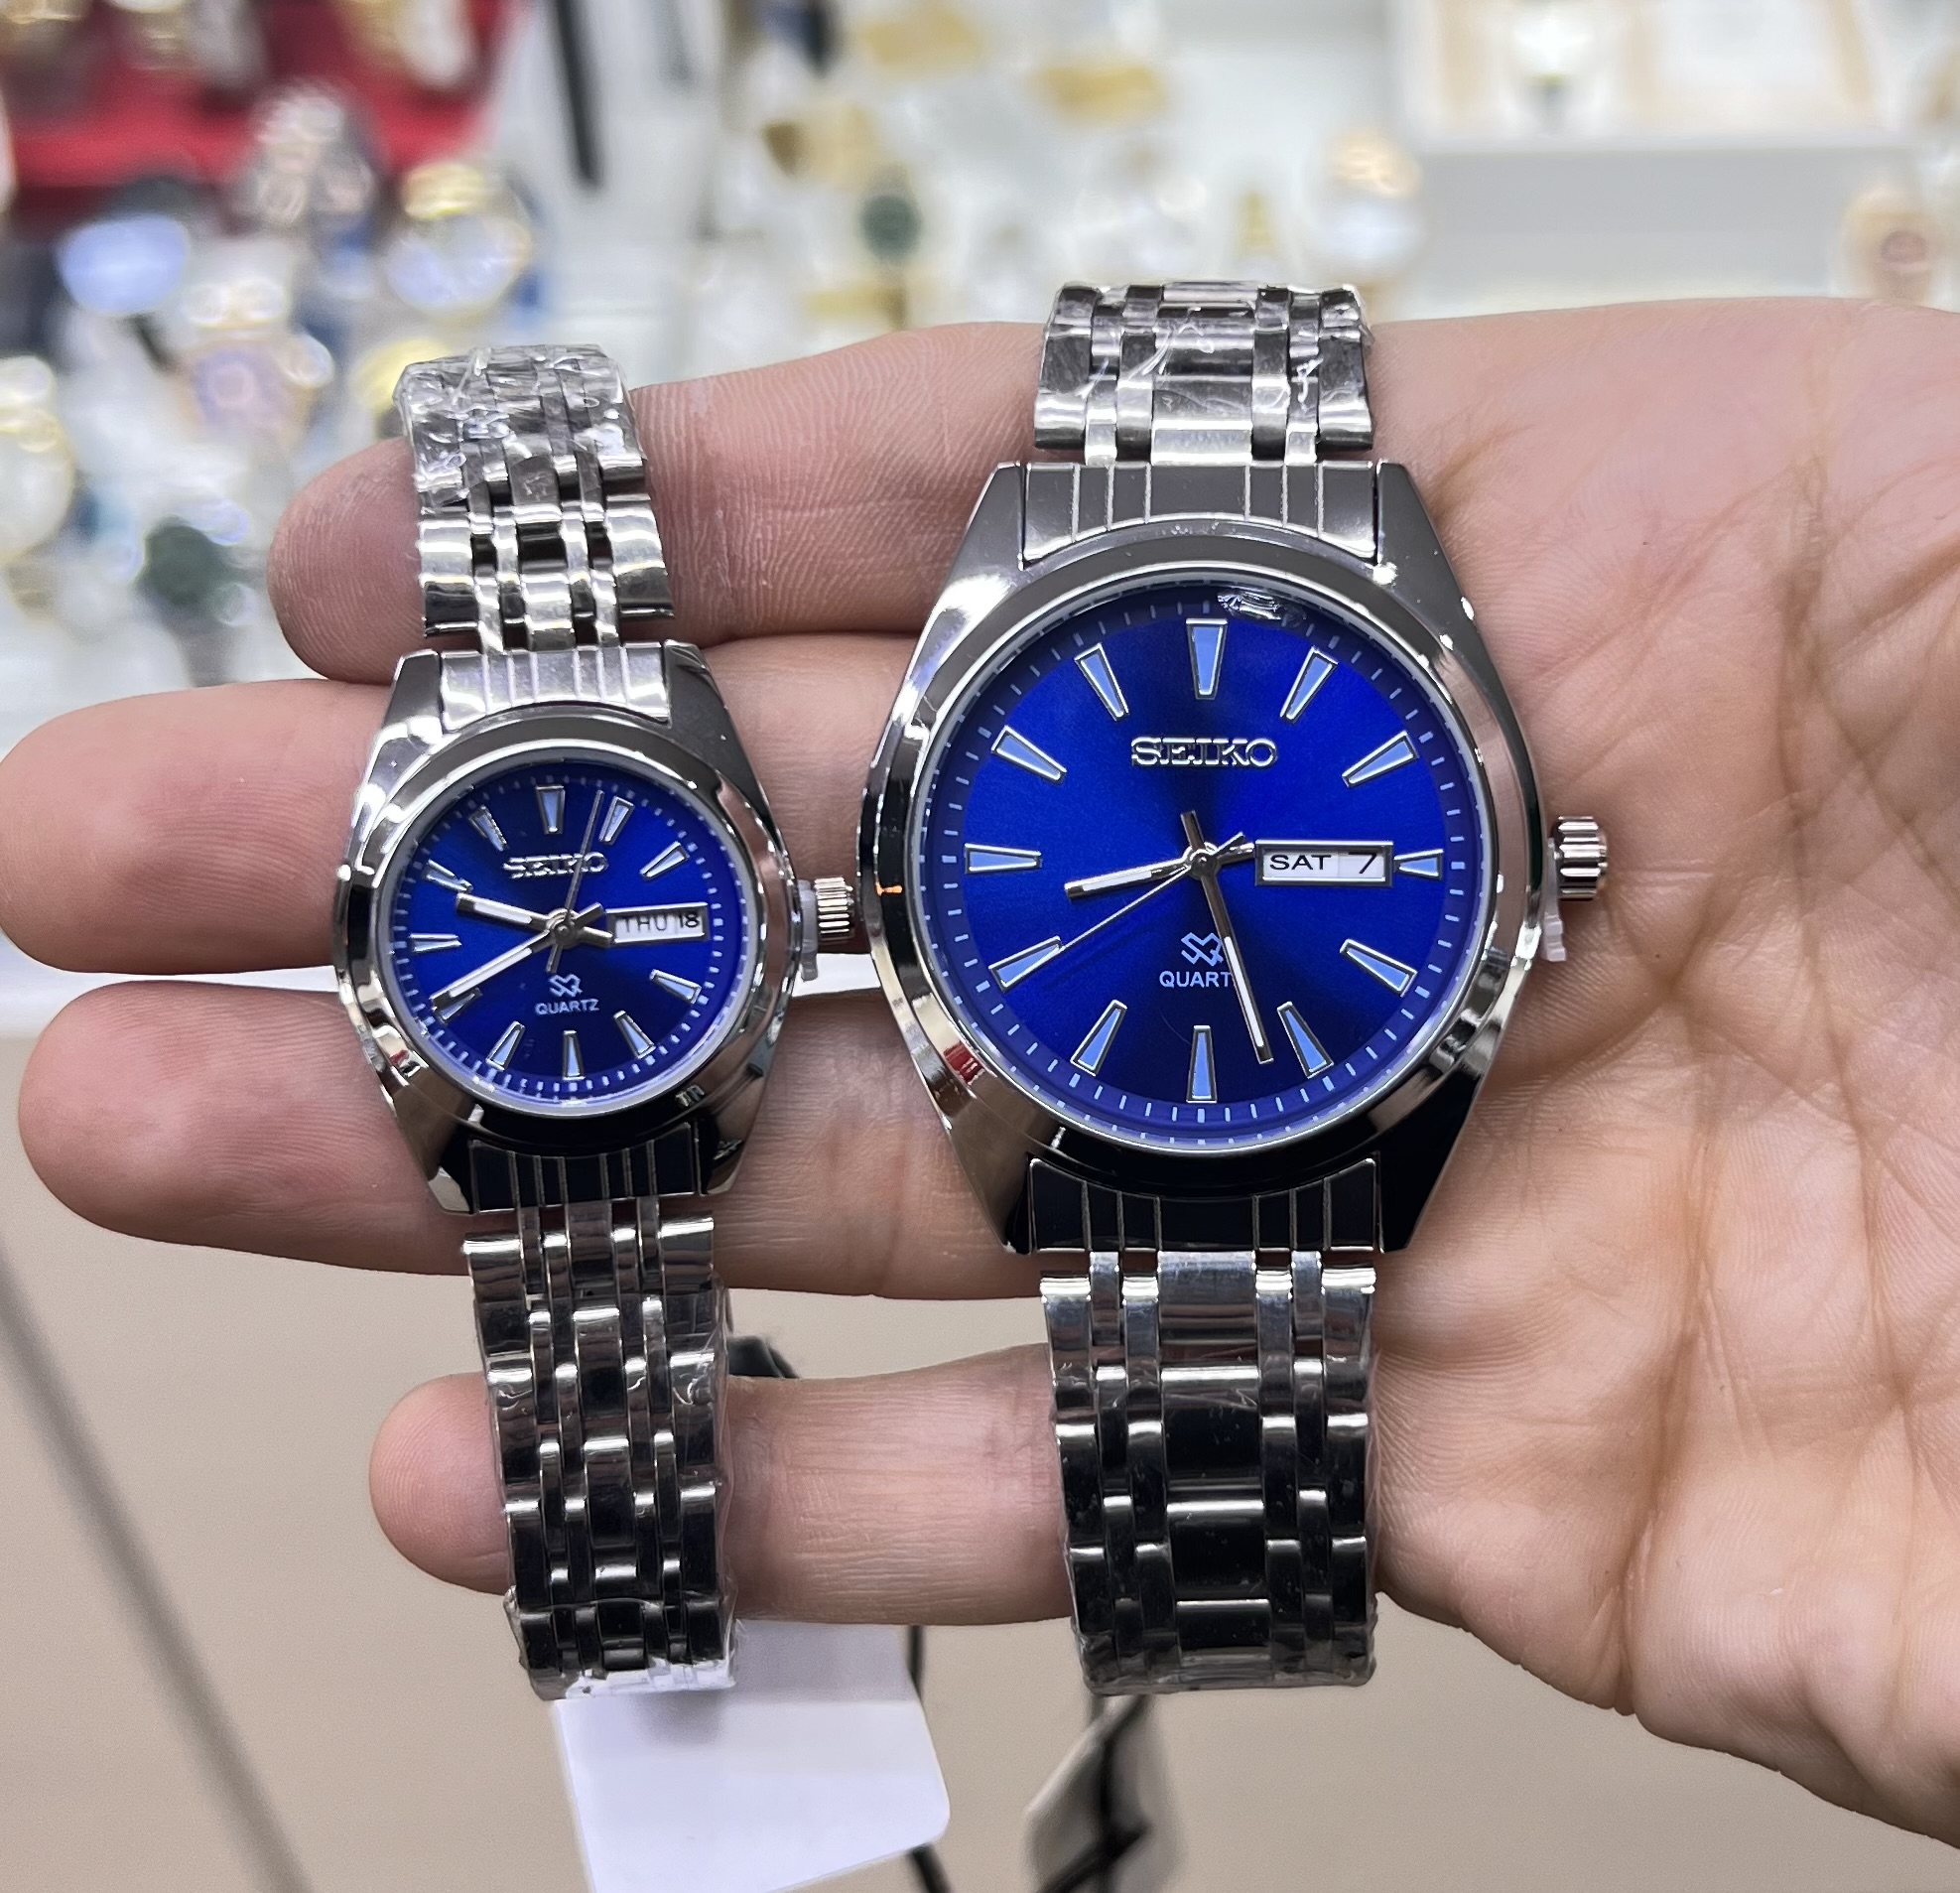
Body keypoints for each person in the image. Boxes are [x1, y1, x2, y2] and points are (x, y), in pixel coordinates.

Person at [2, 299, 1956, 1845]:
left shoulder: (1364, 856)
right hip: (1191, 1071)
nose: (1199, 861)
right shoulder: (1002, 854)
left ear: (1529, 887)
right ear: (886, 882)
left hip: (1239, 1074)